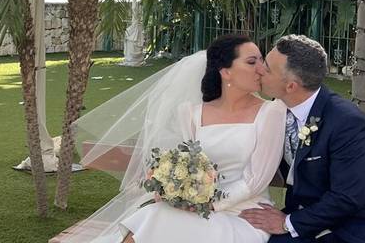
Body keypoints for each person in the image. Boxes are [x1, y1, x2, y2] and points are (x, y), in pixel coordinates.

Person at [68, 34, 286, 243]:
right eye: (251, 62)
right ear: (225, 72)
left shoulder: (272, 111)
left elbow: (256, 180)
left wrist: (207, 204)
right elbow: (181, 162)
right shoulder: (191, 113)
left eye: (261, 60)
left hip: (244, 214)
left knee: (155, 219)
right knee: (154, 217)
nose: (261, 69)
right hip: (194, 209)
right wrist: (175, 190)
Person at [240, 34, 365, 243]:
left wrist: (287, 223)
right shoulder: (274, 112)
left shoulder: (345, 121)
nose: (259, 69)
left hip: (353, 230)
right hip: (305, 223)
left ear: (291, 86)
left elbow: (347, 197)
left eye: (267, 68)